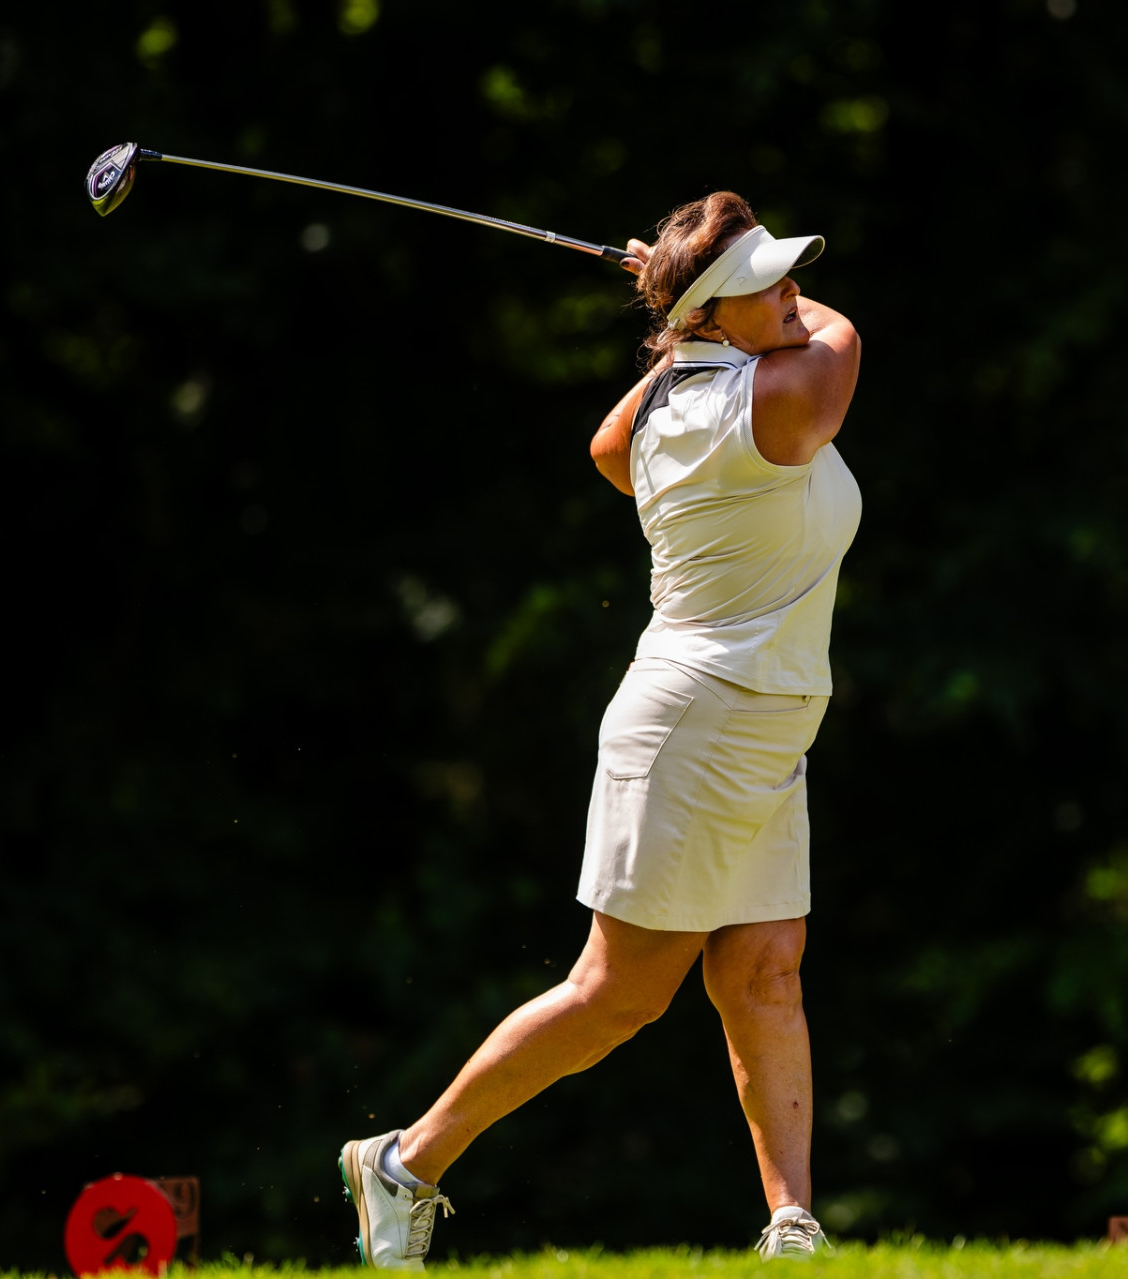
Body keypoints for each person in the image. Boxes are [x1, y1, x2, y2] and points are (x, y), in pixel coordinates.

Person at [337, 191, 863, 1268]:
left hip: (762, 721)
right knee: (617, 993)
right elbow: (841, 335)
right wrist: (683, 312)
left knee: (766, 970)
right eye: (763, 281)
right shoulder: (784, 392)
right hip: (699, 724)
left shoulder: (683, 399)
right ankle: (403, 1161)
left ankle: (792, 1223)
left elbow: (606, 445)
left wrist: (685, 316)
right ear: (714, 316)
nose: (791, 291)